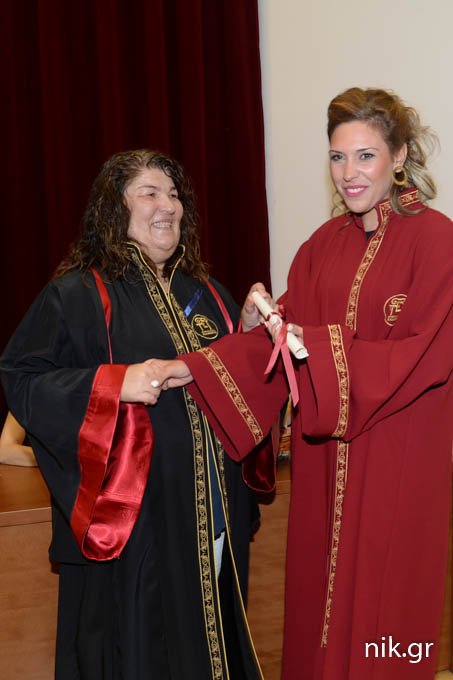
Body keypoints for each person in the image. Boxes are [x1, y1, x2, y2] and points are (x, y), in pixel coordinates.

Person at [150, 88, 453, 680]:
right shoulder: (321, 247)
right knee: (318, 607)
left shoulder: (437, 241)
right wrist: (195, 364)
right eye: (338, 157)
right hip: (323, 463)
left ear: (399, 155)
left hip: (397, 457)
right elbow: (278, 344)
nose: (349, 173)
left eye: (365, 156)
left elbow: (425, 354)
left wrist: (313, 344)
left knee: (388, 618)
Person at [0, 149, 265, 680]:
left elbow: (229, 390)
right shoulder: (77, 294)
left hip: (212, 525)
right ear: (113, 208)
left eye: (174, 195)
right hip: (133, 534)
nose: (168, 205)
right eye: (149, 193)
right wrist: (113, 384)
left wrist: (248, 335)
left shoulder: (207, 293)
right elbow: (23, 380)